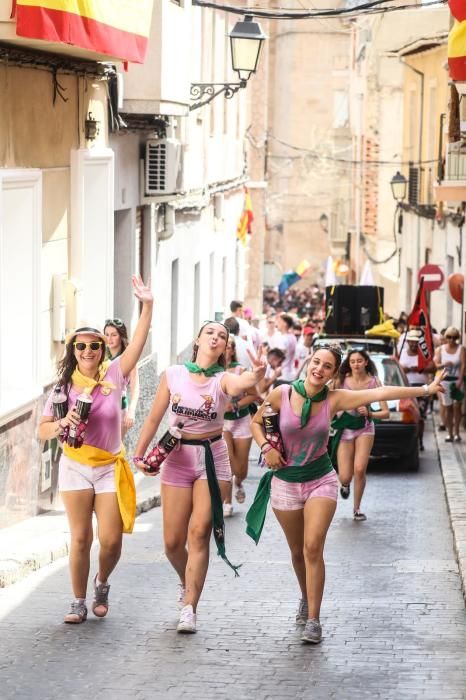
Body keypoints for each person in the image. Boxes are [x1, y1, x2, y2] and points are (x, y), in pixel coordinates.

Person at [246, 346, 444, 644]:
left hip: (320, 480)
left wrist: (425, 388)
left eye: (327, 366)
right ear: (308, 364)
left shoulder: (335, 399)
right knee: (298, 551)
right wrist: (265, 447)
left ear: (333, 373)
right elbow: (256, 423)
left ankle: (314, 618)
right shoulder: (282, 394)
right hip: (285, 482)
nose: (319, 369)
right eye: (316, 362)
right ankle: (305, 596)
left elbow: (381, 393)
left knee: (313, 547)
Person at [133, 322, 265, 634]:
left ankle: (190, 607)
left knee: (199, 532)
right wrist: (139, 455)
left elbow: (240, 382)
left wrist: (255, 376)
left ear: (225, 348)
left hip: (212, 457)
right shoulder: (173, 374)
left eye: (222, 336)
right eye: (211, 333)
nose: (216, 338)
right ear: (198, 340)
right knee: (172, 543)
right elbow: (154, 417)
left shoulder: (223, 379)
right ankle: (186, 580)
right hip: (176, 459)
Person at [38, 276, 153, 624]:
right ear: (72, 351)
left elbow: (138, 345)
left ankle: (102, 583)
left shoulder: (114, 375)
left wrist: (147, 305)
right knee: (80, 538)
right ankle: (77, 601)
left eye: (94, 346)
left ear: (103, 350)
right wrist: (63, 422)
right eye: (81, 347)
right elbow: (42, 433)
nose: (88, 352)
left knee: (112, 540)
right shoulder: (61, 389)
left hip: (108, 466)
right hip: (75, 466)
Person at [333, 349, 389, 521]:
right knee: (344, 475)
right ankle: (344, 484)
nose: (356, 364)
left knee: (359, 468)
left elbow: (386, 412)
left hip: (365, 428)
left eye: (359, 360)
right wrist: (338, 412)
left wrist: (370, 413)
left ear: (366, 362)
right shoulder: (340, 381)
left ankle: (357, 509)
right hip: (345, 428)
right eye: (352, 361)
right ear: (348, 364)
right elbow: (327, 402)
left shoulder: (374, 382)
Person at [222, 337, 260, 517]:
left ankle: (239, 482)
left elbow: (254, 395)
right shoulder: (211, 372)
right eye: (223, 347)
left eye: (228, 347)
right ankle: (227, 501)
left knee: (240, 469)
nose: (224, 350)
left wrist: (235, 405)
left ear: (232, 350)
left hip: (242, 422)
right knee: (227, 461)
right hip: (221, 424)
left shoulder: (240, 371)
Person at [399, 329, 435, 449]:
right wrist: (403, 370)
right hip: (405, 389)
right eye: (411, 342)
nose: (414, 344)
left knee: (420, 417)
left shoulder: (424, 354)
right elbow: (396, 369)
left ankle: (419, 441)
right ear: (408, 341)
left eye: (416, 342)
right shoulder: (402, 353)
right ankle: (410, 441)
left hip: (421, 389)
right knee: (409, 417)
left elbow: (433, 368)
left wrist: (419, 369)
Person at [104, 318, 140, 438]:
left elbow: (135, 387)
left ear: (121, 336)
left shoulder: (128, 359)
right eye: (107, 335)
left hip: (119, 409)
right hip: (99, 408)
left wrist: (132, 411)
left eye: (114, 335)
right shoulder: (99, 355)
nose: (109, 338)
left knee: (115, 449)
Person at [434, 326, 466, 442]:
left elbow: (463, 366)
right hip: (445, 381)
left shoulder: (461, 349)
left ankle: (457, 433)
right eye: (449, 337)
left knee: (457, 407)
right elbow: (436, 365)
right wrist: (444, 364)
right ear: (445, 337)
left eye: (454, 337)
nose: (452, 340)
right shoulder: (440, 349)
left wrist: (460, 380)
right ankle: (450, 433)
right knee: (448, 408)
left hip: (457, 380)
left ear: (457, 338)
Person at [274, 313, 298, 381]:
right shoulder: (293, 337)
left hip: (282, 375)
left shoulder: (283, 338)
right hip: (290, 373)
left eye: (279, 322)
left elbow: (279, 358)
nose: (277, 324)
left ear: (285, 324)